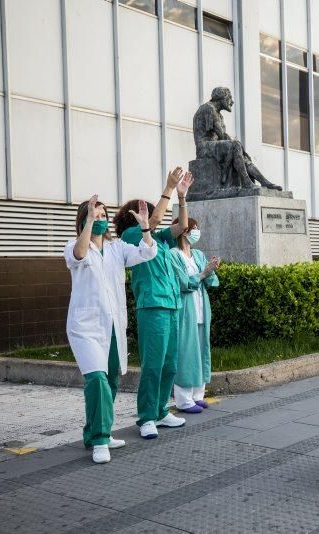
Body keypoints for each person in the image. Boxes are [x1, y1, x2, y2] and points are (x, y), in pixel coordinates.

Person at [65, 195, 156, 464]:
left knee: (112, 379)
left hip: (113, 324)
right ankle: (101, 439)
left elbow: (148, 252)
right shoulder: (73, 245)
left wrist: (145, 228)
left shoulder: (117, 248)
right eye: (95, 215)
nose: (101, 220)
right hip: (85, 327)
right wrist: (89, 222)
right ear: (83, 219)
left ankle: (92, 432)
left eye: (104, 216)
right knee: (97, 380)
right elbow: (79, 255)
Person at [114, 166, 194, 440]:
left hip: (171, 306)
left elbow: (182, 227)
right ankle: (146, 416)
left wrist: (181, 198)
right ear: (134, 220)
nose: (151, 218)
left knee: (170, 364)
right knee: (153, 364)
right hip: (152, 308)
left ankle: (160, 411)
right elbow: (157, 219)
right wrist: (169, 187)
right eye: (145, 214)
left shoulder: (157, 239)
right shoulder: (130, 237)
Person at [169, 218, 221, 414]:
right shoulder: (173, 255)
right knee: (186, 353)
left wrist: (211, 269)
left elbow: (210, 282)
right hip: (185, 311)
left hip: (201, 309)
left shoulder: (198, 254)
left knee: (201, 351)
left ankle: (198, 395)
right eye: (194, 229)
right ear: (184, 231)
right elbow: (182, 283)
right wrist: (201, 274)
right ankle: (183, 400)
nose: (197, 232)